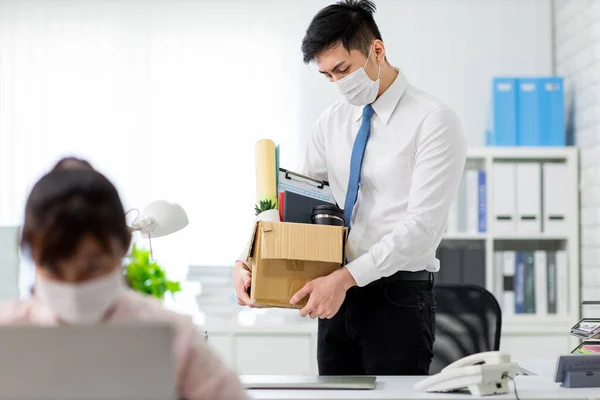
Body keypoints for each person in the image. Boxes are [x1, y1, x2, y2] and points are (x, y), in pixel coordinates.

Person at [234, 0, 467, 376]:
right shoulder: (332, 121)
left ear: (377, 49)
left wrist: (345, 278)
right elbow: (296, 202)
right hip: (334, 295)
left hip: (398, 298)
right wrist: (249, 260)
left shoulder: (434, 121)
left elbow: (422, 228)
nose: (338, 83)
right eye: (327, 76)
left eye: (342, 69)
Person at [0, 158, 249, 400]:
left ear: (123, 246)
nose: (74, 282)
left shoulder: (172, 338)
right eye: (55, 268)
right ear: (31, 254)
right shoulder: (6, 331)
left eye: (92, 266)